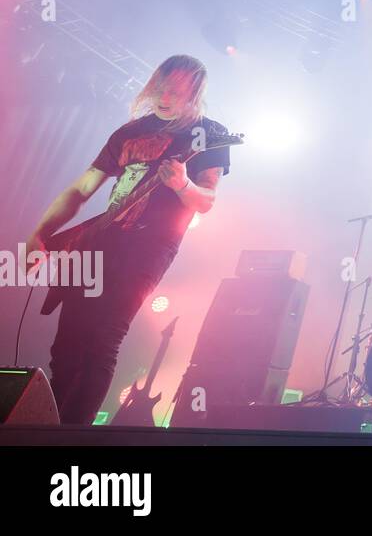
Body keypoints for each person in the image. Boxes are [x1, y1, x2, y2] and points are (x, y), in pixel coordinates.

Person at [26, 54, 231, 423]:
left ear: (194, 92)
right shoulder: (128, 133)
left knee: (102, 340)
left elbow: (207, 200)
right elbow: (81, 189)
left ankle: (74, 434)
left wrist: (181, 183)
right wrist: (40, 234)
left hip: (149, 246)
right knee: (65, 346)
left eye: (177, 90)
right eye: (161, 87)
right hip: (99, 240)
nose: (166, 96)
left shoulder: (208, 133)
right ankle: (49, 427)